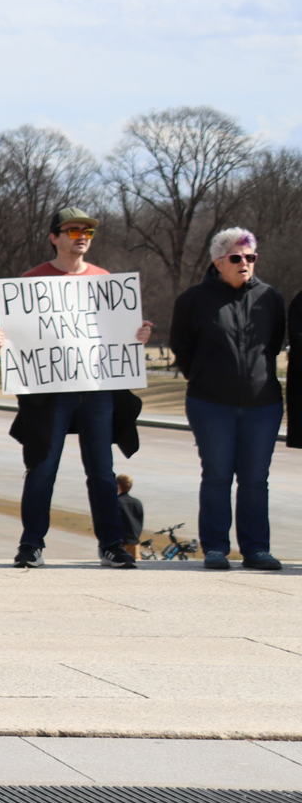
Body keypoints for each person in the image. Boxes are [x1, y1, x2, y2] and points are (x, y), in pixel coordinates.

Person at [0, 208, 153, 570]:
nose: (82, 237)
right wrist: (1, 342)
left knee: (102, 470)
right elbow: (21, 339)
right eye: (73, 230)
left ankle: (111, 544)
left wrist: (136, 335)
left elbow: (115, 335)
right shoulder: (31, 282)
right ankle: (31, 543)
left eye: (88, 232)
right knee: (42, 467)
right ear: (54, 237)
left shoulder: (105, 281)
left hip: (97, 389)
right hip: (51, 392)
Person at [169, 227, 284, 572]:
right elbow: (182, 347)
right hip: (210, 403)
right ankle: (216, 548)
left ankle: (256, 550)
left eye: (251, 257)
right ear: (219, 262)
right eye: (236, 257)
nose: (244, 263)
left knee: (254, 479)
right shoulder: (193, 300)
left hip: (262, 404)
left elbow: (274, 344)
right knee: (217, 475)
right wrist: (207, 377)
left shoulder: (270, 298)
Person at [115, 475, 144, 561]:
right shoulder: (137, 503)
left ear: (118, 486)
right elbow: (139, 522)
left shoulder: (115, 502)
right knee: (136, 565)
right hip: (134, 541)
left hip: (119, 542)